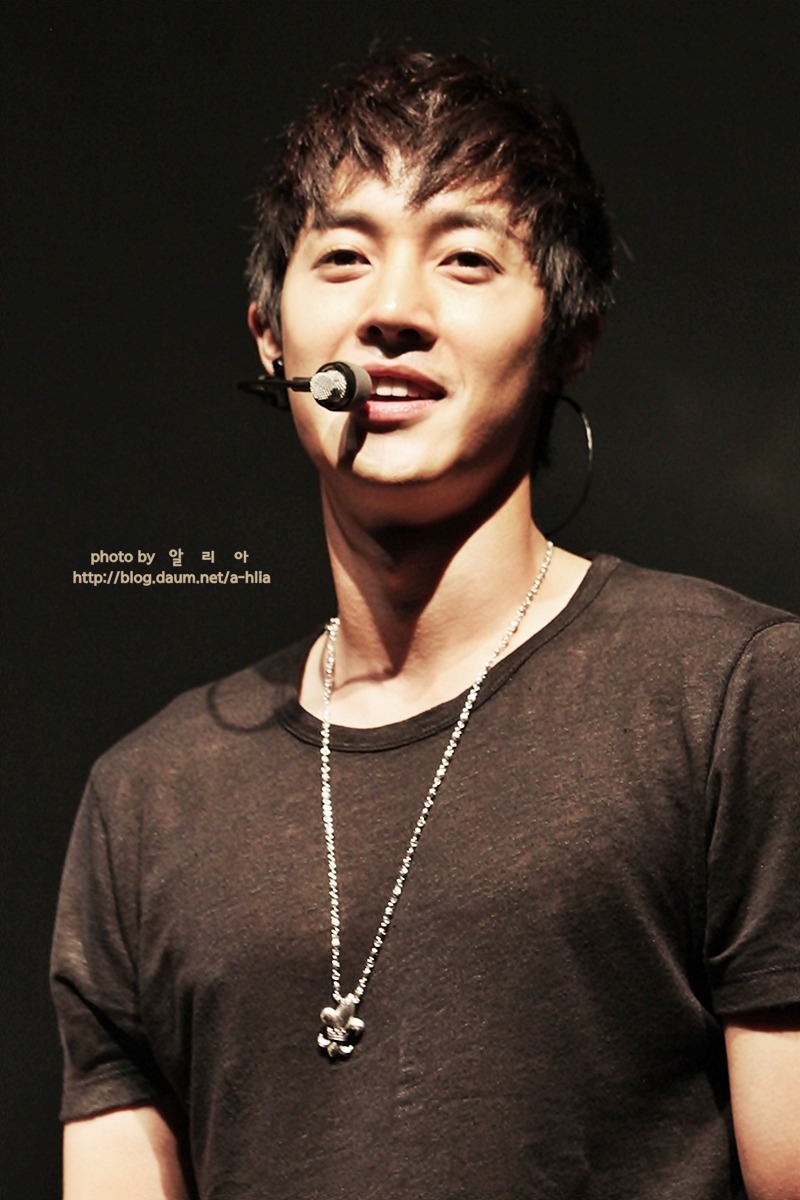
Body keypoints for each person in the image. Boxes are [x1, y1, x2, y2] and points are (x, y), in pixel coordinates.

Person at [51, 48, 800, 1200]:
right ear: (269, 337)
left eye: (464, 259)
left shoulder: (731, 695)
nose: (391, 312)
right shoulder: (144, 801)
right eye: (342, 258)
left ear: (569, 335)